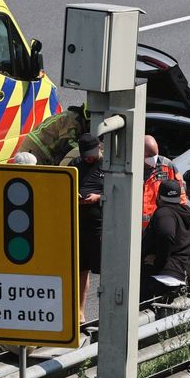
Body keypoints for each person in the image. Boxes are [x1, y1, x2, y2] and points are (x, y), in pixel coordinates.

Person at [141, 179, 190, 302]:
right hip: (181, 275)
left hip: (161, 277)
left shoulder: (164, 212)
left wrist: (158, 261)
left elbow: (166, 235)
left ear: (159, 196)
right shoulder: (187, 213)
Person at [66, 133, 104, 312]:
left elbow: (120, 192)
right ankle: (80, 311)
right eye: (85, 155)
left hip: (101, 226)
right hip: (79, 224)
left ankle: (109, 311)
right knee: (81, 269)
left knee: (105, 269)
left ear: (99, 148)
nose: (88, 158)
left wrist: (98, 198)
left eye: (91, 154)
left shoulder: (108, 165)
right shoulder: (76, 164)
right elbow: (63, 185)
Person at [16, 105, 88, 165]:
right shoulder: (72, 120)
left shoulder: (77, 119)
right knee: (34, 178)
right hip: (35, 151)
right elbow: (67, 144)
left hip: (40, 150)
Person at [141, 134, 186, 229]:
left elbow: (180, 195)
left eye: (155, 155)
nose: (153, 159)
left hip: (159, 223)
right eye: (149, 155)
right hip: (134, 226)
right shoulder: (130, 169)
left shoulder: (167, 166)